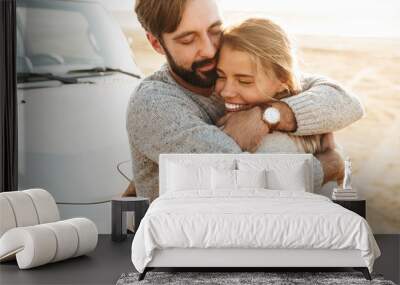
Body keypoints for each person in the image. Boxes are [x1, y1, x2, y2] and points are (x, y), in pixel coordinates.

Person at [126, 0, 364, 202]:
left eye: (215, 30)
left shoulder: (229, 68)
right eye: (189, 39)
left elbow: (346, 102)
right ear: (156, 43)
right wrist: (329, 165)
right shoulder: (153, 104)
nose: (209, 50)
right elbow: (246, 180)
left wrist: (269, 115)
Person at [216, 18, 331, 156]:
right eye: (220, 76)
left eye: (244, 81)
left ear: (283, 81)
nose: (226, 92)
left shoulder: (270, 147)